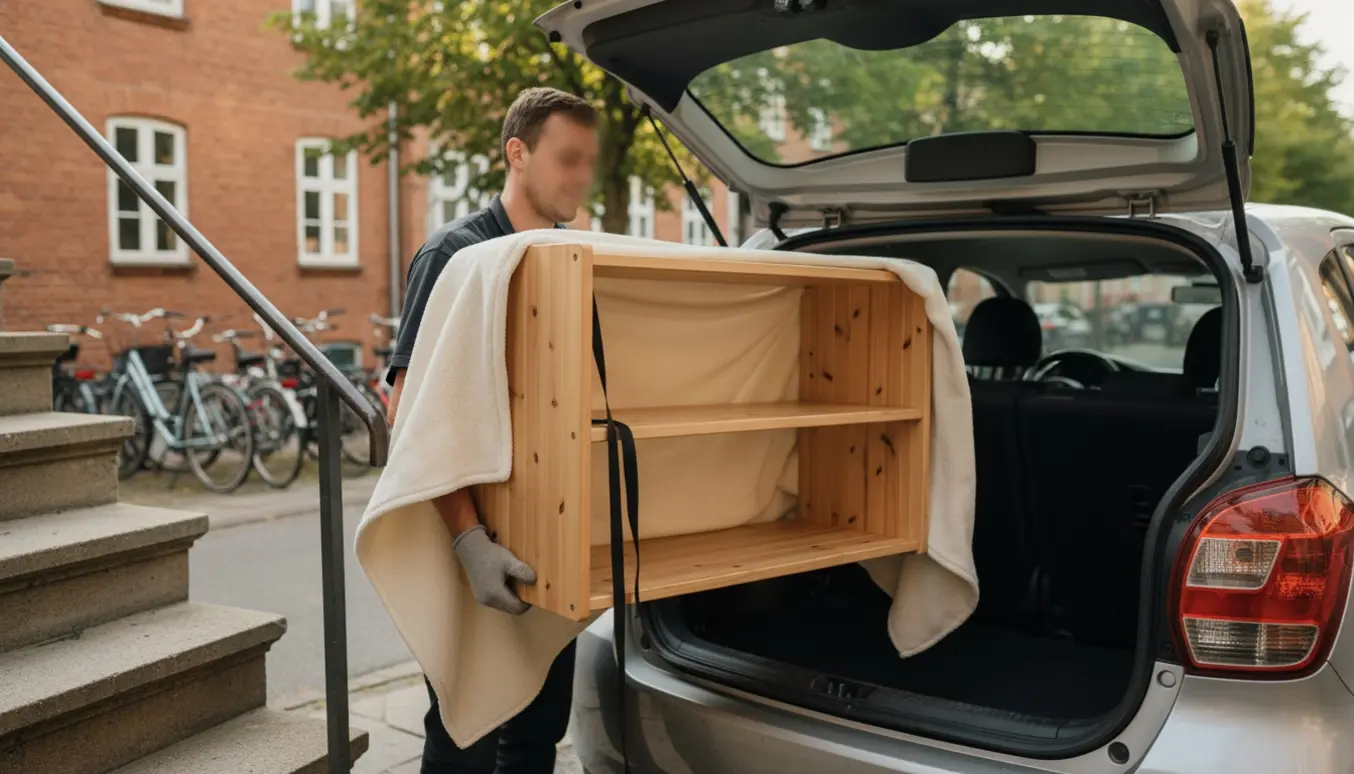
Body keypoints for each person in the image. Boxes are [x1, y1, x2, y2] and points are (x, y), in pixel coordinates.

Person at [383, 86, 600, 774]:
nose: (581, 178)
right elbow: (407, 413)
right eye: (567, 159)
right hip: (471, 544)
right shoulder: (456, 254)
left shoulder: (566, 263)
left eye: (588, 162)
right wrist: (471, 542)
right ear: (518, 152)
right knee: (466, 735)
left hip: (548, 545)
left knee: (539, 730)